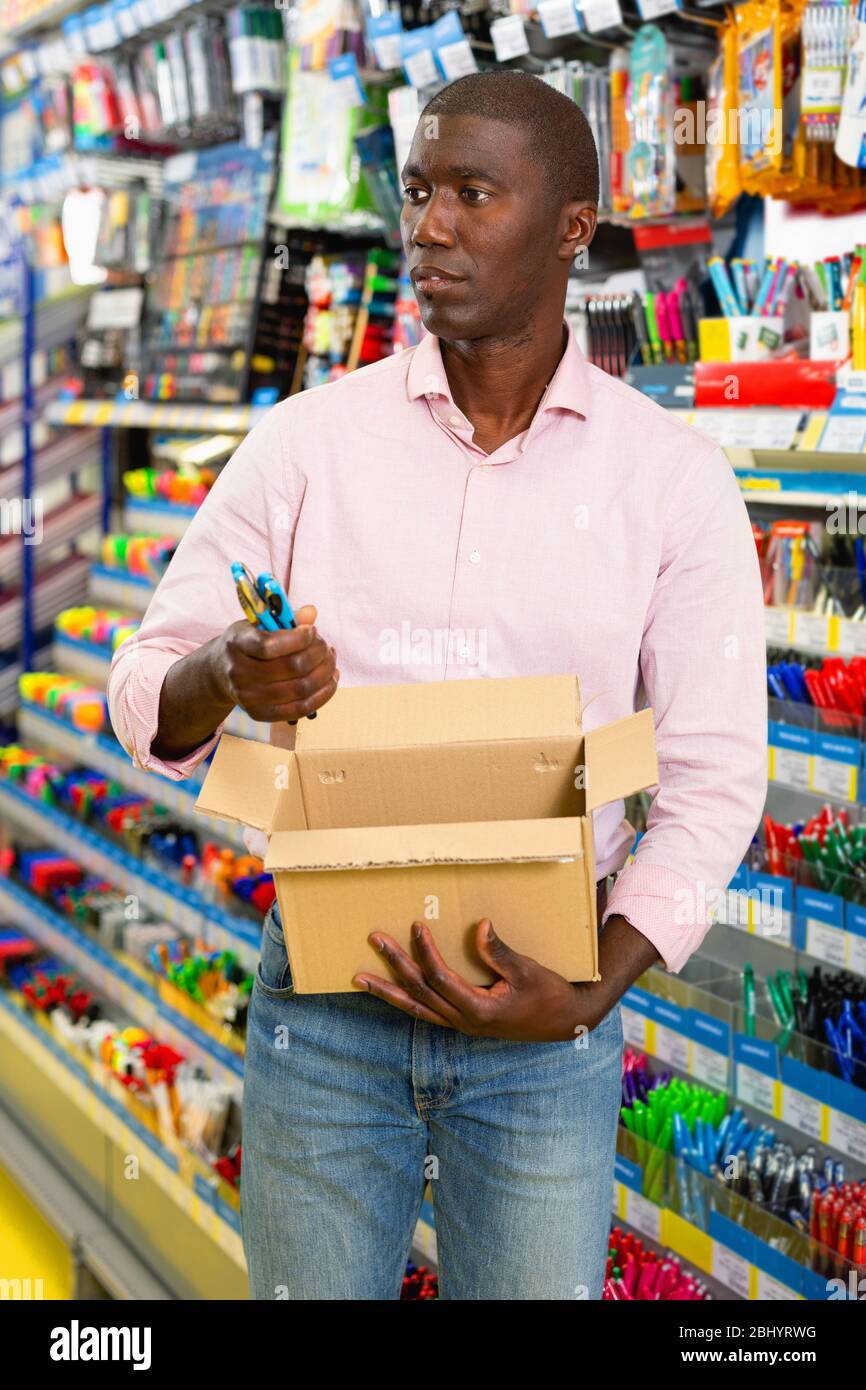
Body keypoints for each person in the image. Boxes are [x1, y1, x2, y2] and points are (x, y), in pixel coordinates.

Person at [107, 70, 767, 1300]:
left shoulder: (669, 482)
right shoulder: (306, 443)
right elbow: (146, 686)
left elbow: (715, 775)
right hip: (321, 1014)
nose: (427, 227)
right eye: (417, 192)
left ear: (572, 226)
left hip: (543, 1041)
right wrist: (228, 670)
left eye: (471, 192)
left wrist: (586, 991)